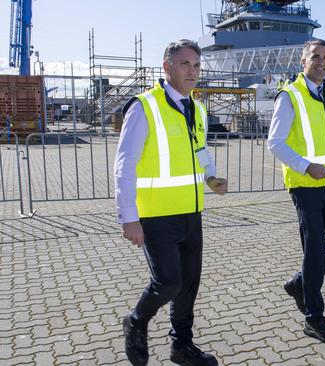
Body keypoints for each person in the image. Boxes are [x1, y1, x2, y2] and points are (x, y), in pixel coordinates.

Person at [114, 39, 226, 366]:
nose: (192, 71)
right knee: (168, 283)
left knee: (189, 285)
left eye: (196, 65)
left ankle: (182, 346)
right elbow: (125, 164)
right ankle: (136, 321)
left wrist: (211, 177)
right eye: (184, 64)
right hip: (156, 214)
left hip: (192, 211)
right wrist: (128, 217)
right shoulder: (145, 106)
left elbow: (200, 151)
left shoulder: (197, 108)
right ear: (167, 67)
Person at [267, 39, 325, 345]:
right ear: (303, 61)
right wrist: (306, 167)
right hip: (305, 185)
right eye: (315, 57)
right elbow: (275, 143)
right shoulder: (290, 96)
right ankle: (314, 319)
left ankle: (300, 284)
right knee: (315, 250)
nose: (322, 61)